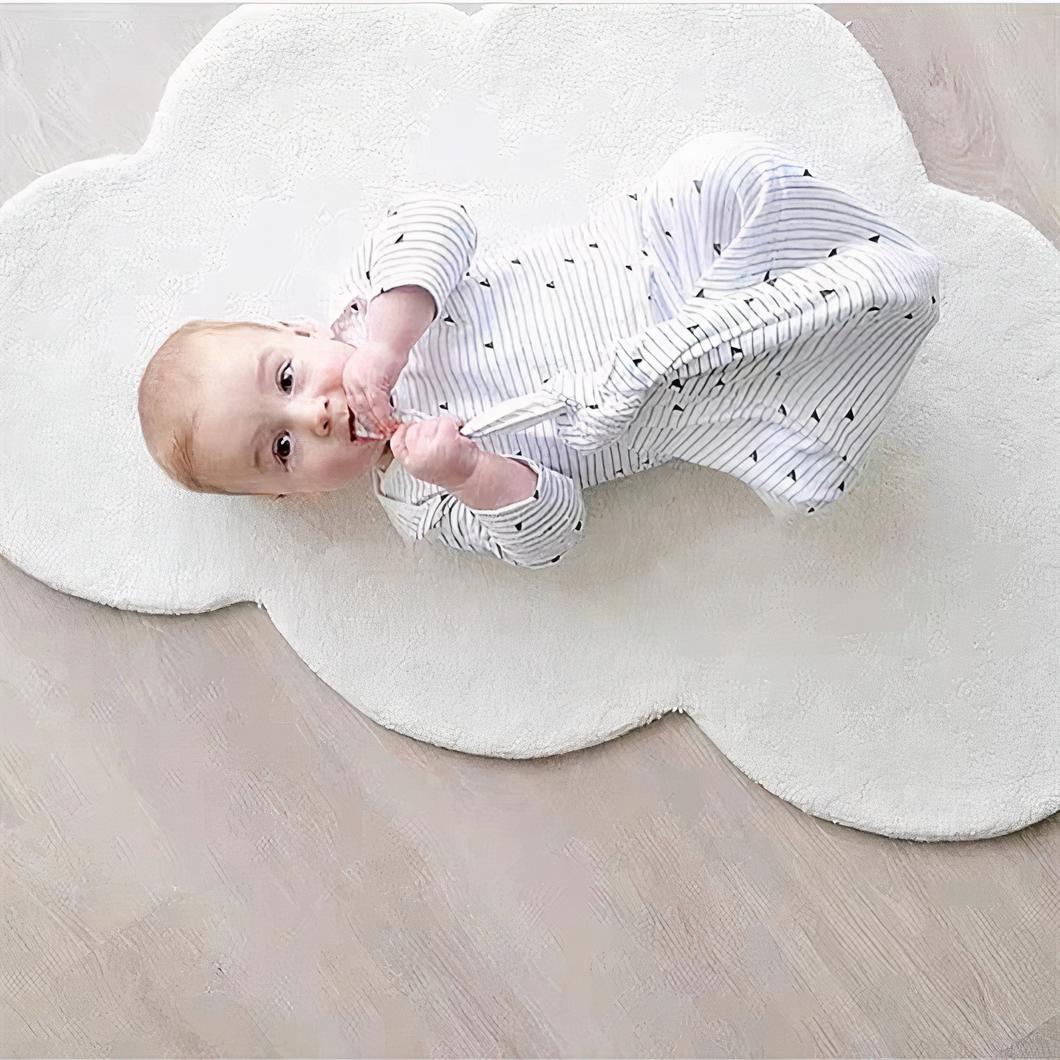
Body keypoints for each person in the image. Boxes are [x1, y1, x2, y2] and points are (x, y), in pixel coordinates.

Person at [137, 131, 940, 569]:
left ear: (303, 331)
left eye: (286, 376)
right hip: (685, 396)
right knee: (811, 471)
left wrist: (386, 340)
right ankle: (860, 302)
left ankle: (846, 266)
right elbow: (554, 536)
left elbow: (440, 218)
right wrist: (471, 474)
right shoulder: (418, 505)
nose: (311, 414)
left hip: (662, 257)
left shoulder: (370, 299)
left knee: (715, 169)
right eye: (278, 447)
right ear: (298, 496)